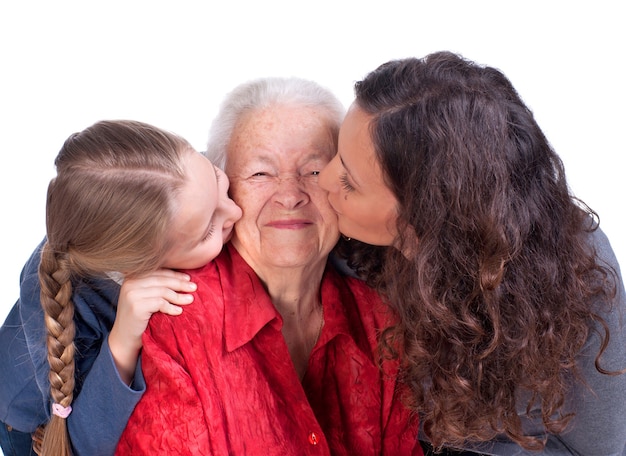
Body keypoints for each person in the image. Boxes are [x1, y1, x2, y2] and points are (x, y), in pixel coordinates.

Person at [318, 51, 626, 455]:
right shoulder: (343, 250)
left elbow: (604, 449)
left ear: (419, 233)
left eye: (349, 182)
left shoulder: (578, 269)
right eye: (338, 156)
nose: (322, 180)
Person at [115, 77, 422, 455]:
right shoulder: (178, 316)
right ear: (224, 188)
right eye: (261, 173)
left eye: (313, 171)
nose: (290, 196)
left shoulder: (381, 320)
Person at [0, 120, 242, 456]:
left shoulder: (183, 186)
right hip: (33, 426)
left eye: (217, 178)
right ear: (138, 267)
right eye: (207, 231)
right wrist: (123, 338)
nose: (236, 210)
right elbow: (82, 445)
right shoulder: (69, 317)